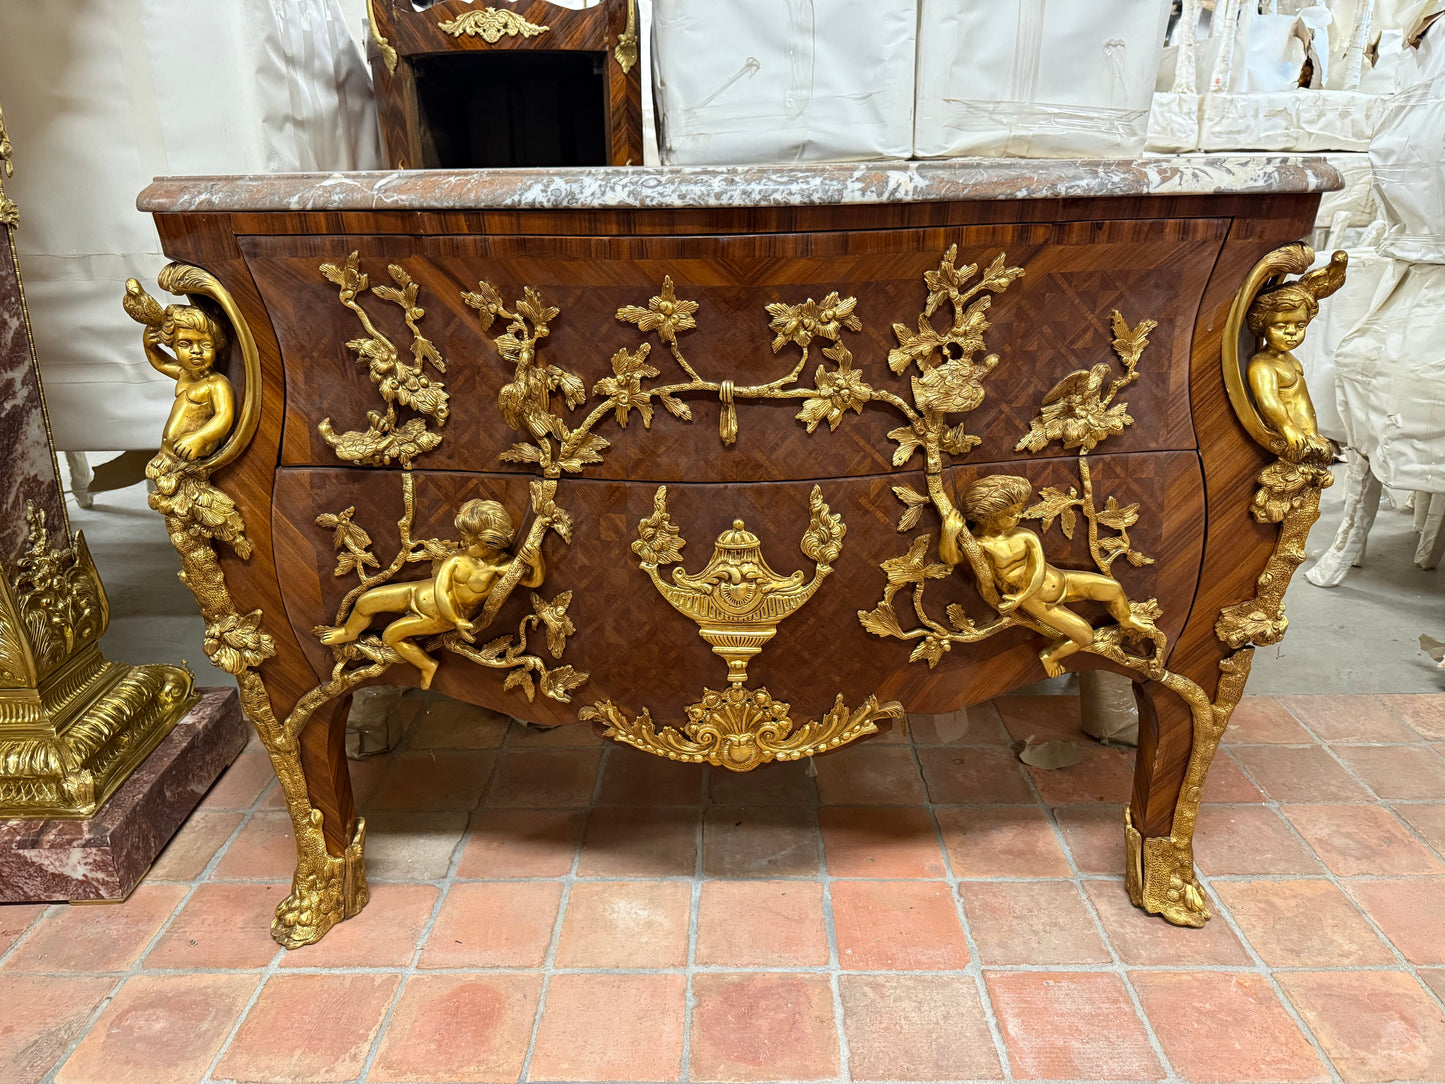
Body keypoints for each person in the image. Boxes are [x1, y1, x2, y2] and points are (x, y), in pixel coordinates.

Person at [318, 499, 543, 689]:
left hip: (438, 618)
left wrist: (538, 563)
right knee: (367, 600)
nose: (463, 542)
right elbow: (441, 590)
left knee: (390, 636)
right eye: (464, 536)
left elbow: (533, 581)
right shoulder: (459, 559)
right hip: (417, 593)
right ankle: (349, 631)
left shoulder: (504, 569)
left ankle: (426, 664)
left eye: (471, 541)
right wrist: (457, 619)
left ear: (492, 542)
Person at [941, 475, 1152, 677]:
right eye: (1011, 514)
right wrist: (949, 534)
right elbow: (952, 559)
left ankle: (1126, 618)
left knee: (1113, 588)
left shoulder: (1025, 536)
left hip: (1061, 581)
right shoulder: (979, 545)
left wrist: (1019, 598)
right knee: (1085, 636)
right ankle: (1050, 655)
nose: (1020, 516)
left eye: (1019, 511)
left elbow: (1038, 570)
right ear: (986, 518)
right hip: (1040, 603)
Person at [1245, 282, 1332, 462]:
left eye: (1300, 325)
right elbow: (1268, 401)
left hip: (1304, 436)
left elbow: (1301, 400)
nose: (1292, 332)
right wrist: (1287, 427)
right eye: (1280, 326)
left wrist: (1311, 432)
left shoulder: (1290, 359)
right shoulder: (1262, 365)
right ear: (1262, 325)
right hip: (1288, 438)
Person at [142, 301, 235, 461]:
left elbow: (224, 416)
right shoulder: (184, 373)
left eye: (205, 344)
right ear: (173, 347)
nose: (196, 351)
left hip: (194, 452)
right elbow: (161, 363)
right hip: (170, 454)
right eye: (185, 344)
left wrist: (199, 438)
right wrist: (149, 346)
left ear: (216, 346)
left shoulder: (216, 383)